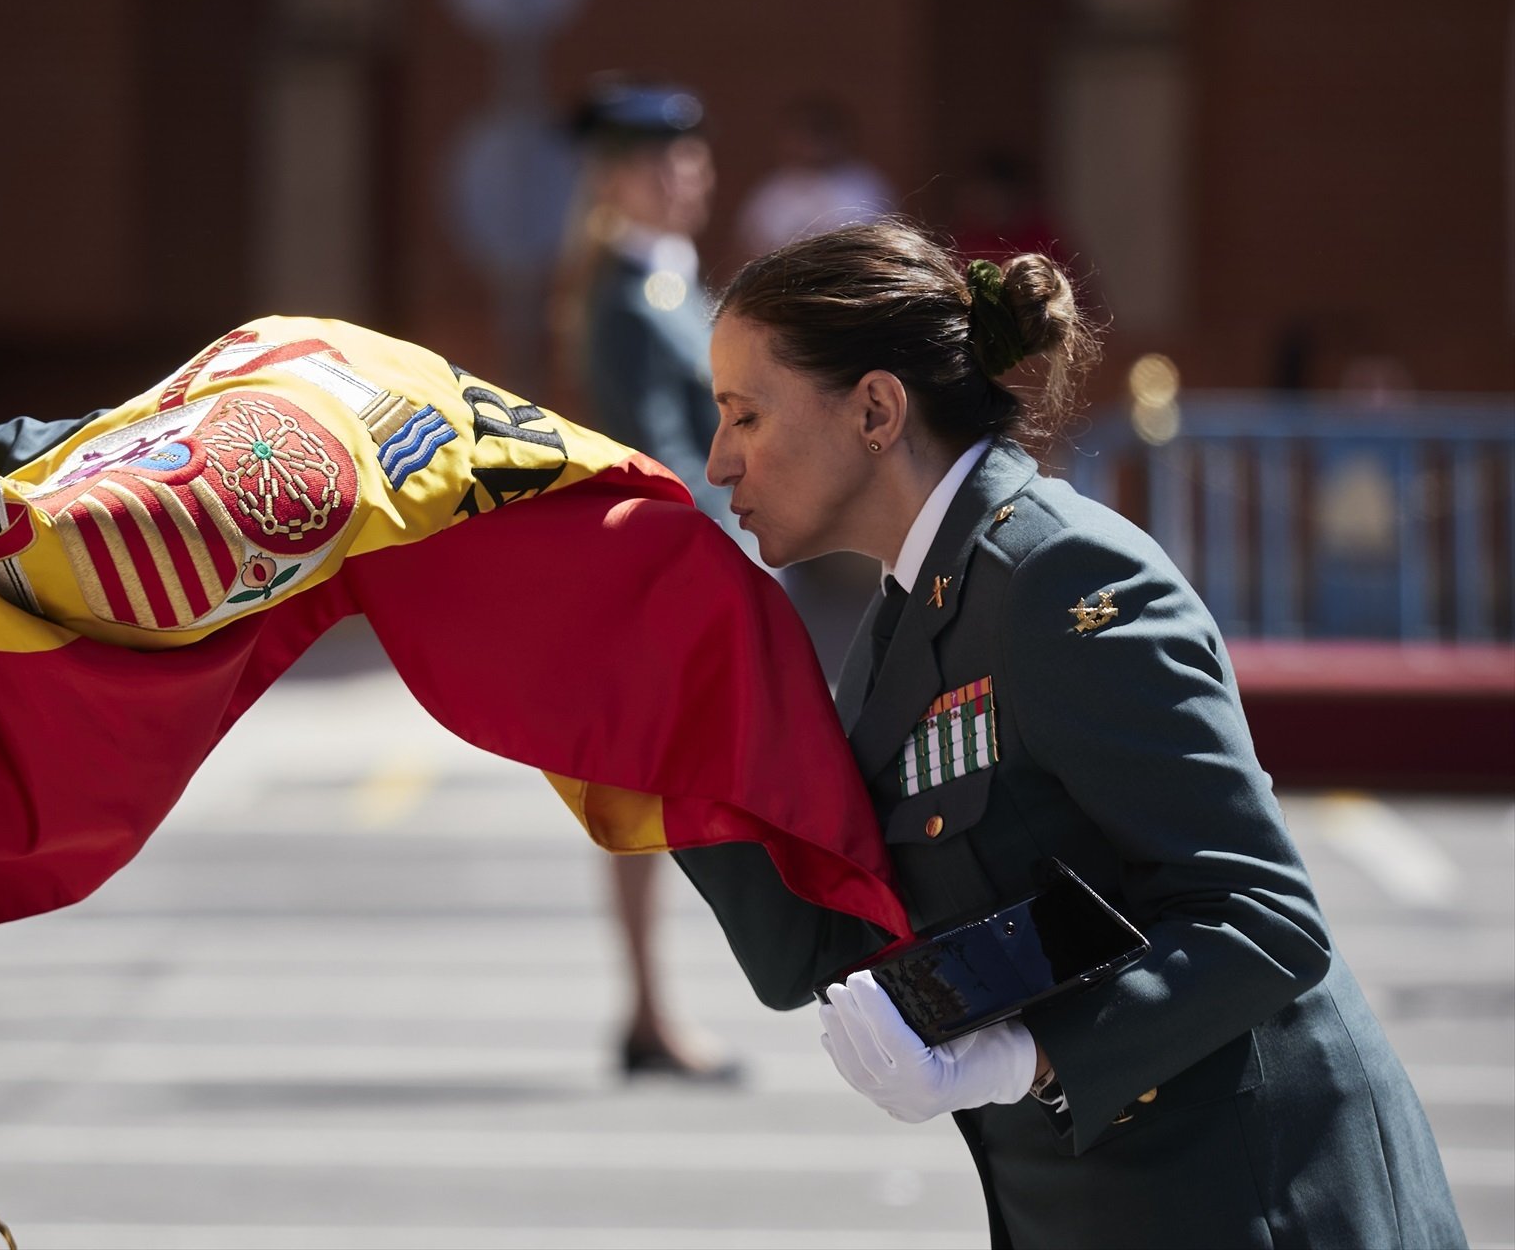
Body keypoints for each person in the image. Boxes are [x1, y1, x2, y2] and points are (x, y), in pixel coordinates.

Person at [673, 220, 1465, 1247]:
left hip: (1259, 1201)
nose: (718, 457)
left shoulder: (1062, 579)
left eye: (745, 413)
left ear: (875, 408)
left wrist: (1024, 1055)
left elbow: (1266, 919)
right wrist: (645, 724)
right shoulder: (904, 619)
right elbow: (816, 944)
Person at [548, 78, 746, 1081]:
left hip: (665, 574)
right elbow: (664, 456)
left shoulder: (667, 281)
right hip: (658, 576)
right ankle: (651, 1012)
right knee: (644, 796)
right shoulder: (630, 293)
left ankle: (649, 1011)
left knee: (655, 796)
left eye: (690, 156)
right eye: (662, 161)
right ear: (618, 180)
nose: (687, 174)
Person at [734, 95, 894, 258]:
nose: (801, 145)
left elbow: (872, 248)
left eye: (813, 135)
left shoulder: (862, 185)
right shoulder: (774, 187)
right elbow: (747, 247)